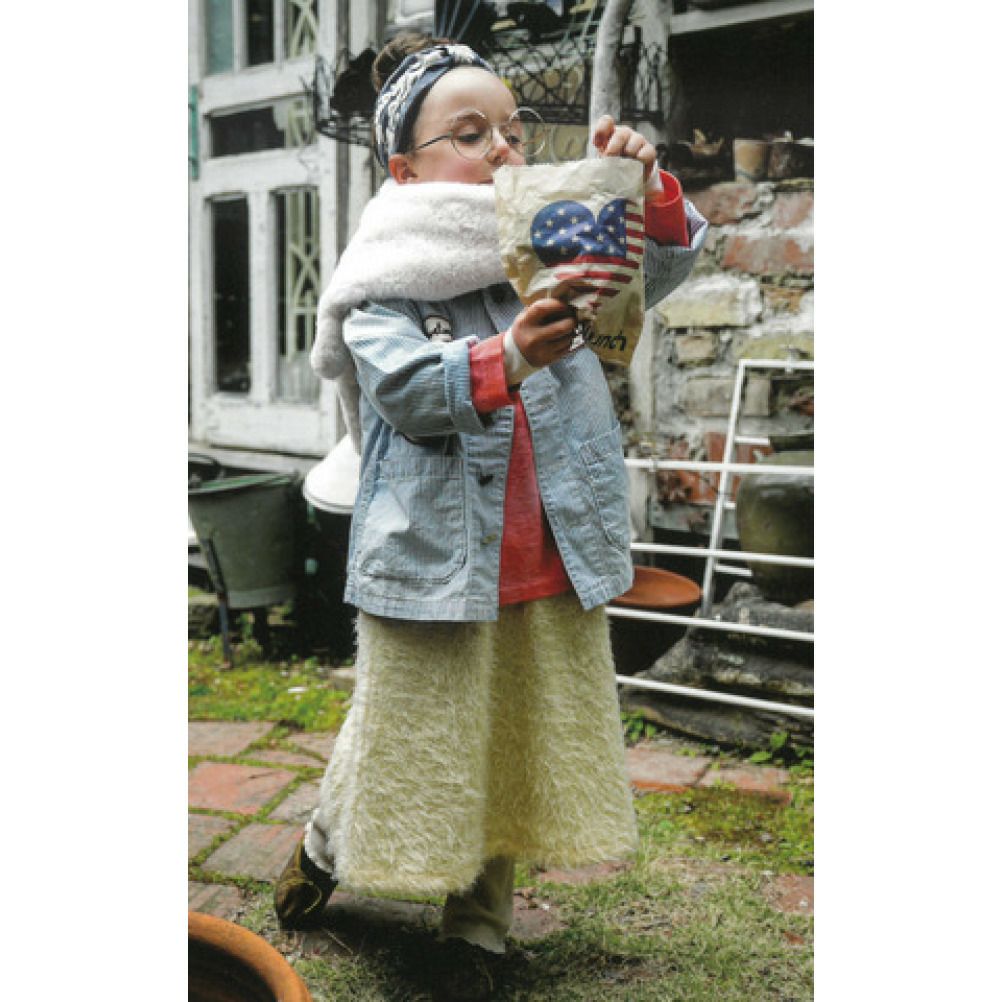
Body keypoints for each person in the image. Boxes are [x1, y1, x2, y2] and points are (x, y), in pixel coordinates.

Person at [274, 33, 708, 959]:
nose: (503, 147)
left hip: (547, 542)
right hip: (437, 551)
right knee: (410, 730)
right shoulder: (384, 273)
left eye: (513, 128)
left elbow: (647, 281)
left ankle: (477, 928)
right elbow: (401, 390)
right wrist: (508, 355)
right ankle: (324, 844)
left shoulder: (556, 233)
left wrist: (646, 194)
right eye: (470, 134)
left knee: (505, 732)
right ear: (405, 170)